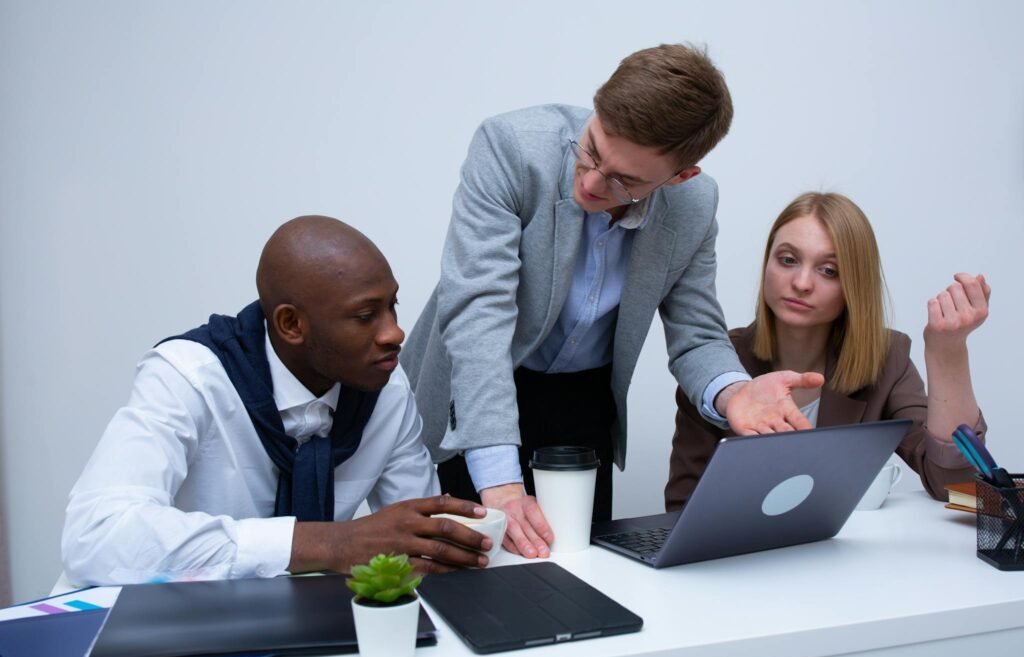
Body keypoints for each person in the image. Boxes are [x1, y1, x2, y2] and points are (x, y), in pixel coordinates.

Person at [401, 43, 823, 560]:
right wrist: (503, 485)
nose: (593, 182)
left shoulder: (693, 204)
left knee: (574, 575)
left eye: (626, 180)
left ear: (679, 176)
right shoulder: (510, 147)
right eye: (593, 150)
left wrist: (735, 393)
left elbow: (697, 334)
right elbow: (478, 314)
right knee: (457, 574)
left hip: (583, 403)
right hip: (474, 388)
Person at [62, 216, 491, 586]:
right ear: (290, 324)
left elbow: (415, 545)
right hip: (168, 628)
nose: (394, 333)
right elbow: (95, 536)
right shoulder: (189, 378)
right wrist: (329, 543)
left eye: (392, 307)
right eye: (365, 316)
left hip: (310, 631)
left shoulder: (387, 389)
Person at [666, 192, 990, 509]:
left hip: (844, 559)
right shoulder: (715, 365)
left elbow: (954, 486)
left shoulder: (887, 358)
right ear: (767, 262)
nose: (802, 283)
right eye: (788, 260)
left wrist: (947, 352)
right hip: (741, 556)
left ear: (854, 286)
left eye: (829, 270)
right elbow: (683, 507)